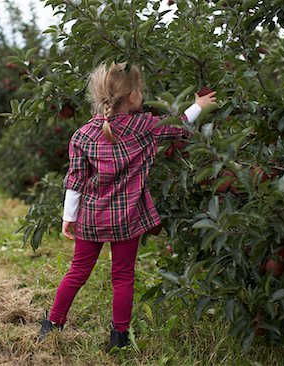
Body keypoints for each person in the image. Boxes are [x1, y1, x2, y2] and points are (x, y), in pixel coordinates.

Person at [38, 61, 217, 349]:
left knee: (77, 271)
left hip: (91, 217)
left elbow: (75, 180)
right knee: (123, 276)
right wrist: (200, 105)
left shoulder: (83, 135)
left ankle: (53, 324)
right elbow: (179, 125)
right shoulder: (144, 126)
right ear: (133, 96)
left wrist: (68, 217)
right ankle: (119, 338)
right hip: (127, 216)